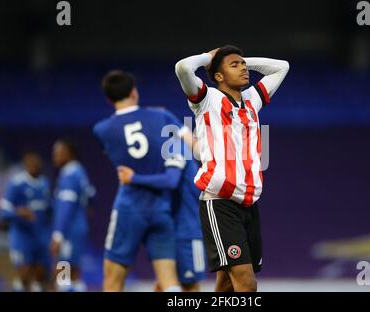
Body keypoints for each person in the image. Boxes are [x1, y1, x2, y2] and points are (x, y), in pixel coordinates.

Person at [175, 45, 289, 291]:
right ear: (218, 76)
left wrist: (238, 58)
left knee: (227, 284)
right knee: (247, 284)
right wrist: (210, 58)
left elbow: (282, 67)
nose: (244, 68)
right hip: (220, 203)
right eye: (234, 65)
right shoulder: (206, 99)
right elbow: (183, 67)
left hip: (248, 204)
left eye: (244, 64)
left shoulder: (252, 100)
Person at [93, 70, 185, 292]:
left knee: (113, 281)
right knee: (170, 283)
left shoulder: (102, 130)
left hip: (128, 209)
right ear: (134, 92)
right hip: (160, 210)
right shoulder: (162, 117)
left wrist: (134, 177)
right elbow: (174, 177)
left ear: (108, 99)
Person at [117, 131, 206, 292]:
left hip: (181, 229)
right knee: (190, 287)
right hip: (187, 233)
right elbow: (171, 180)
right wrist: (134, 178)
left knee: (164, 285)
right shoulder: (177, 145)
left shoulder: (187, 155)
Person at [0, 151, 51, 291]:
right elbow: (3, 211)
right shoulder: (17, 183)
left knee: (40, 275)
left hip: (40, 236)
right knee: (24, 274)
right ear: (25, 165)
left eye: (37, 164)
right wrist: (18, 212)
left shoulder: (44, 183)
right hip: (21, 236)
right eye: (31, 163)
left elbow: (48, 210)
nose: (34, 166)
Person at [51, 139, 94, 292]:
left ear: (70, 154)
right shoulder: (80, 172)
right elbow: (91, 197)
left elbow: (66, 207)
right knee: (74, 273)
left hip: (68, 230)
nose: (55, 156)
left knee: (63, 272)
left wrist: (58, 235)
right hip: (79, 227)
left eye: (58, 153)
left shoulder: (69, 174)